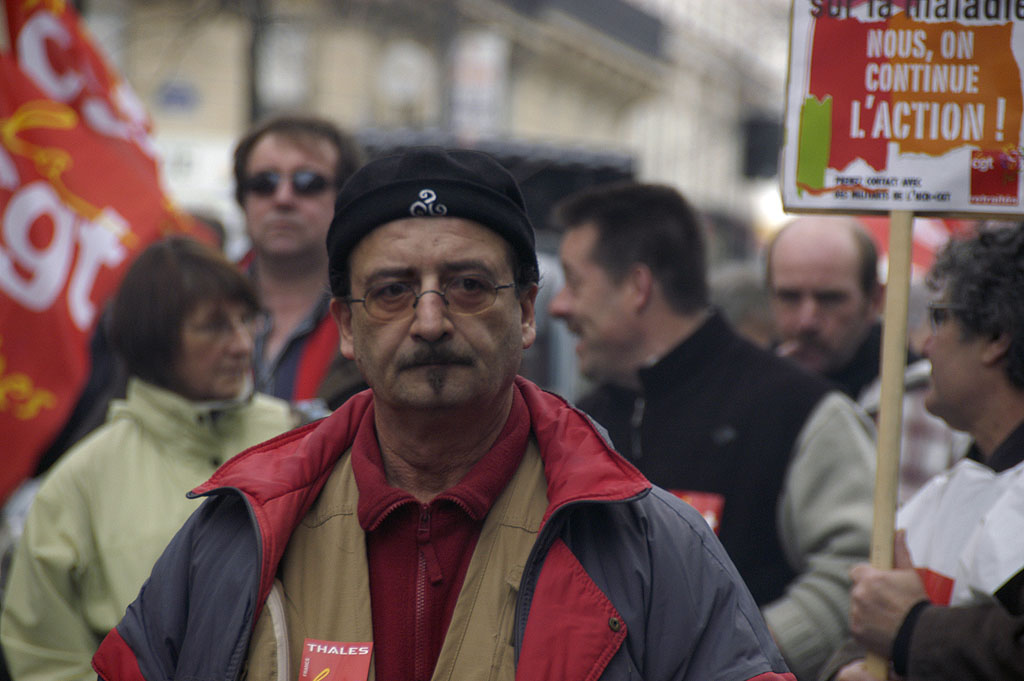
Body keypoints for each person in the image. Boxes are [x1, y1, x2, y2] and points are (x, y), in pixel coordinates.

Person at [92, 148, 795, 681]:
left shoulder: (647, 545)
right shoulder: (236, 535)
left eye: (466, 284)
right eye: (394, 290)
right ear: (345, 325)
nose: (430, 321)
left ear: (525, 312)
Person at [547, 182, 877, 681]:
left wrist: (739, 658)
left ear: (637, 287)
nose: (559, 306)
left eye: (575, 282)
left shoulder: (800, 409)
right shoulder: (580, 424)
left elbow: (856, 568)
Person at [0, 237, 296, 681]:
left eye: (247, 320)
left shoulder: (296, 436)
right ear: (154, 340)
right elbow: (44, 656)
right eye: (214, 326)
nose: (241, 344)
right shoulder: (80, 480)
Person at [823, 221, 1024, 681]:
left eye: (940, 319)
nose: (925, 345)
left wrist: (914, 629)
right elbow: (863, 633)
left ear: (995, 339)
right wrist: (849, 670)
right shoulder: (950, 492)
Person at [766, 215, 969, 504]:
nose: (807, 320)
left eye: (830, 298)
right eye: (789, 297)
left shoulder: (932, 403)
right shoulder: (746, 397)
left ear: (875, 299)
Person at [233, 113, 366, 415]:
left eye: (308, 183)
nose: (283, 198)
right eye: (263, 183)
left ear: (343, 198)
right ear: (243, 198)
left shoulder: (381, 310)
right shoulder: (189, 305)